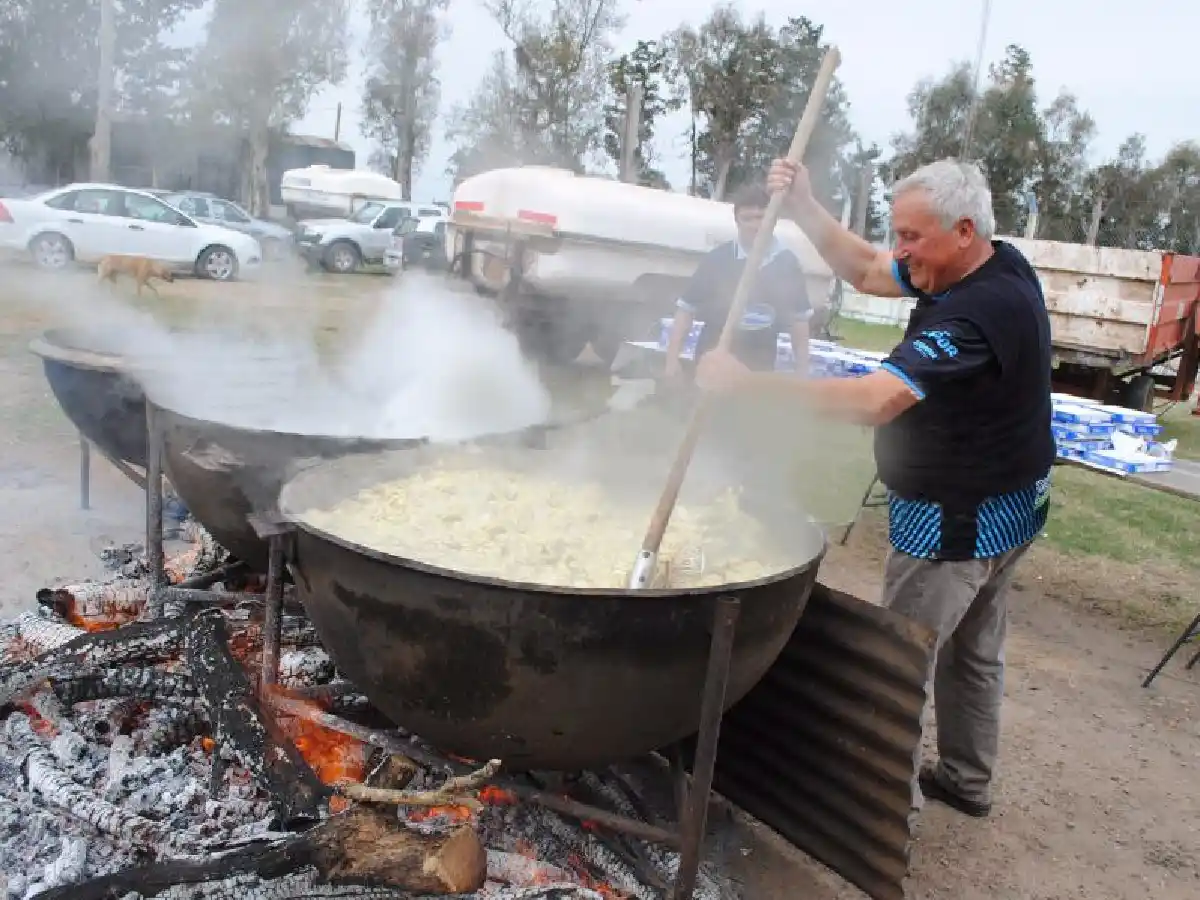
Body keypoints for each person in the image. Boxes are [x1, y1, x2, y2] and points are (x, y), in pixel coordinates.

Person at [696, 157, 1054, 820]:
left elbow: (872, 400)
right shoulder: (991, 262)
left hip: (957, 522)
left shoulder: (975, 313)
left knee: (899, 669)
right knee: (974, 653)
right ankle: (967, 779)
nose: (900, 250)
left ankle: (884, 817)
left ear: (964, 230)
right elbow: (863, 269)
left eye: (912, 237)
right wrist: (804, 204)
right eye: (899, 233)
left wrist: (749, 386)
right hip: (1015, 504)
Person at [663, 183, 812, 379]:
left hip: (758, 368)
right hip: (712, 363)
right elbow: (686, 310)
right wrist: (672, 359)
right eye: (747, 218)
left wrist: (802, 369)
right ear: (737, 221)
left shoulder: (787, 263)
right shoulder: (717, 259)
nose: (754, 225)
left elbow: (799, 321)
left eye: (761, 217)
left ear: (773, 219)